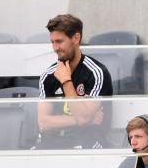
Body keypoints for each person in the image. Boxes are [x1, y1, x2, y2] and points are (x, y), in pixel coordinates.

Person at [38, 13, 113, 148]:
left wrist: (66, 82)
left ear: (76, 38)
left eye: (60, 41)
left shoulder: (96, 72)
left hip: (89, 140)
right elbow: (44, 122)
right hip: (56, 140)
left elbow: (83, 119)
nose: (55, 48)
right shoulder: (48, 75)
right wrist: (78, 119)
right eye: (52, 42)